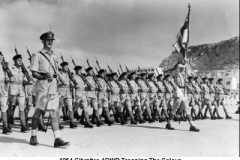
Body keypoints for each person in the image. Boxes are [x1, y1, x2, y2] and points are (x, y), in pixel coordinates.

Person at [29, 31, 70, 147]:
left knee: (54, 113)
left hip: (53, 88)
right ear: (43, 41)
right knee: (38, 113)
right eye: (48, 40)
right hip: (42, 88)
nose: (50, 42)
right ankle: (33, 136)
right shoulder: (37, 55)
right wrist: (43, 76)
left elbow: (56, 72)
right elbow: (34, 73)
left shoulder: (55, 56)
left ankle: (57, 139)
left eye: (52, 40)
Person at [8, 54, 30, 132]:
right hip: (12, 91)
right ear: (14, 61)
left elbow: (28, 79)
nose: (20, 62)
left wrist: (27, 82)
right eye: (18, 60)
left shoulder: (23, 69)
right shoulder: (10, 68)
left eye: (21, 60)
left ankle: (23, 126)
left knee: (22, 108)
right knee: (10, 107)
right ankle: (7, 124)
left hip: (21, 91)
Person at [58, 62, 77, 128]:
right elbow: (57, 83)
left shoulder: (68, 74)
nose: (67, 68)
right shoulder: (59, 74)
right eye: (65, 66)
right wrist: (61, 84)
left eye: (67, 66)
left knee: (70, 108)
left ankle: (72, 122)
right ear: (62, 67)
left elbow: (70, 82)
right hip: (61, 93)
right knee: (58, 108)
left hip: (68, 93)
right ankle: (58, 124)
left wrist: (72, 84)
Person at [0, 52, 12, 134]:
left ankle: (5, 126)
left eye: (1, 57)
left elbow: (9, 77)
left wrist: (8, 79)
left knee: (4, 106)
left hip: (3, 88)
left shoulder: (5, 67)